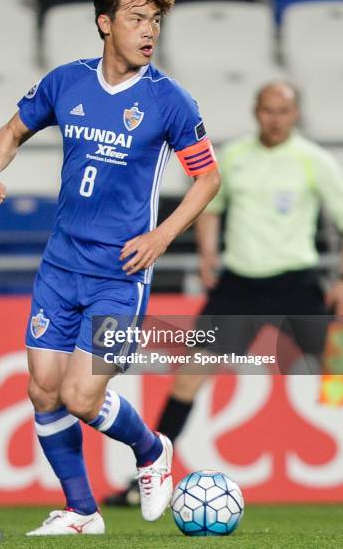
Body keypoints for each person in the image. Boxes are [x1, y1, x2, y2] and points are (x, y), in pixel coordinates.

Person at [0, 0, 220, 535]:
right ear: (105, 24)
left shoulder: (171, 100)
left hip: (120, 273)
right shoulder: (67, 82)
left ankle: (153, 450)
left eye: (155, 21)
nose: (148, 30)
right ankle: (83, 512)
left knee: (82, 397)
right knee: (42, 389)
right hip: (60, 267)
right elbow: (11, 131)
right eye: (136, 18)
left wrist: (162, 236)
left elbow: (208, 180)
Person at [104, 80, 343, 506]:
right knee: (189, 375)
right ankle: (148, 481)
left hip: (297, 283)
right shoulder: (233, 157)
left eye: (283, 112)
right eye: (268, 110)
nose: (275, 119)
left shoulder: (313, 161)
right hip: (239, 286)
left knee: (337, 373)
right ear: (256, 111)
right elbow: (210, 204)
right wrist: (208, 249)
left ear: (296, 114)